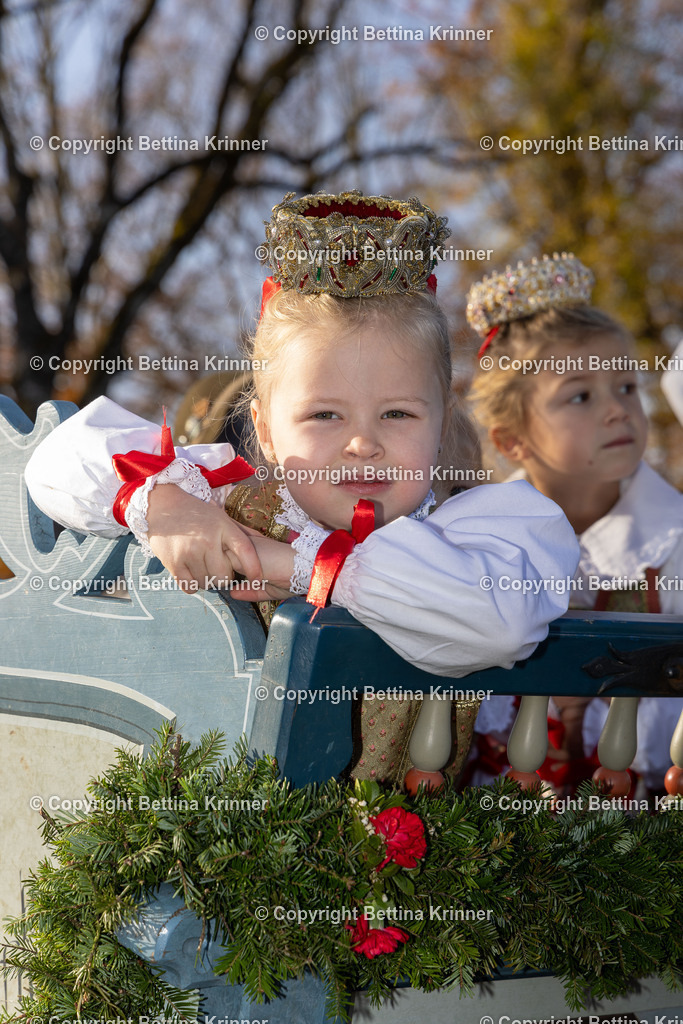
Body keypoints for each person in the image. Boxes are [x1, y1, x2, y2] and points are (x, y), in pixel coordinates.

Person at [25, 191, 579, 784]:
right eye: (324, 416)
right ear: (263, 428)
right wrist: (162, 502)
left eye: (396, 414)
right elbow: (53, 461)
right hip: (226, 852)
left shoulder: (481, 533)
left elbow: (499, 624)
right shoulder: (226, 500)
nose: (362, 443)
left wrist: (297, 566)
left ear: (443, 417)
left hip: (423, 871)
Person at [465, 252, 683, 794]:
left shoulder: (675, 543)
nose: (618, 410)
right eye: (581, 395)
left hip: (648, 830)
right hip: (495, 831)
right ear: (512, 440)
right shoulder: (478, 544)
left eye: (627, 387)